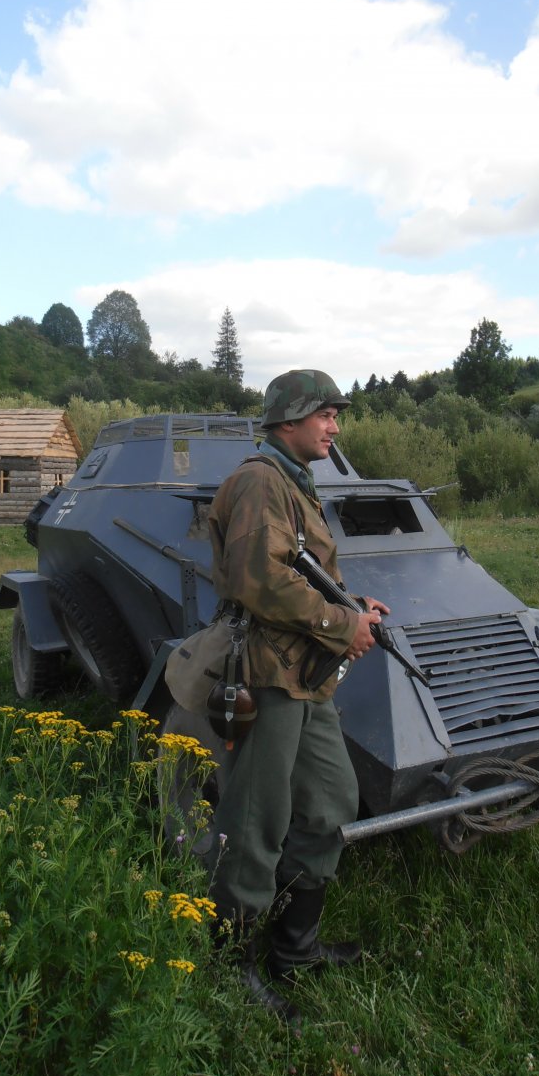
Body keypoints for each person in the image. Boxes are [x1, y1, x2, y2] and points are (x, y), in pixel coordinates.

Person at [206, 369, 390, 1022]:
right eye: (325, 415)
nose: (335, 427)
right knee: (255, 821)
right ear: (288, 419)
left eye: (336, 415)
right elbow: (258, 579)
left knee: (330, 803)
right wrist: (344, 625)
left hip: (304, 675)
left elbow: (297, 569)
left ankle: (294, 948)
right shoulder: (261, 481)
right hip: (267, 676)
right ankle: (232, 967)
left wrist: (352, 605)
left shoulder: (292, 481)